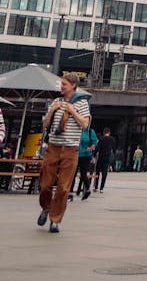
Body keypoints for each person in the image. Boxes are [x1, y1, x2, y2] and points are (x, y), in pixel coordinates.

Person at [37, 72, 91, 234]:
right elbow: (46, 125)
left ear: (73, 86)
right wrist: (51, 111)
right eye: (61, 84)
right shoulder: (56, 101)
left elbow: (84, 124)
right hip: (53, 147)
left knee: (63, 187)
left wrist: (72, 111)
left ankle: (55, 220)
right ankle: (46, 208)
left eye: (64, 84)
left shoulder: (81, 103)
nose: (61, 87)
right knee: (45, 184)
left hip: (70, 149)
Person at [75, 121, 98, 199]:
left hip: (85, 155)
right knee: (72, 174)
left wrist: (90, 148)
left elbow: (95, 142)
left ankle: (88, 189)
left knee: (83, 173)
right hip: (74, 155)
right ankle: (69, 192)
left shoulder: (90, 131)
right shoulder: (76, 129)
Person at [93, 126, 115, 193]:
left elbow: (97, 148)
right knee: (104, 173)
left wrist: (93, 155)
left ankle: (96, 187)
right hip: (107, 157)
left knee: (97, 172)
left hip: (101, 157)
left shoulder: (101, 139)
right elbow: (113, 149)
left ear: (103, 132)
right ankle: (101, 188)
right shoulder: (112, 139)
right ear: (109, 132)